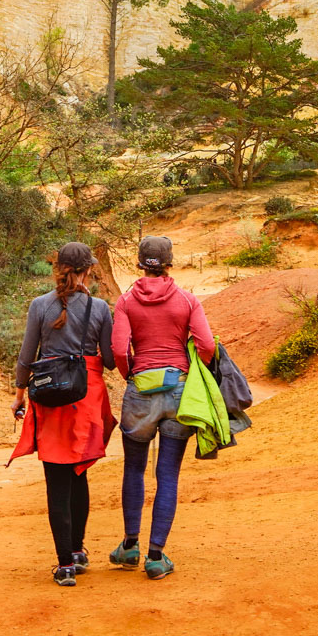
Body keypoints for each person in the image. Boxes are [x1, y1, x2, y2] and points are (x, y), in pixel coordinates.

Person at [8, 241, 116, 587]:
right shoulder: (99, 308)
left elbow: (27, 356)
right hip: (85, 400)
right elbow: (110, 360)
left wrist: (19, 395)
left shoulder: (40, 305)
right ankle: (79, 551)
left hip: (49, 399)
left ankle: (65, 565)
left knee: (56, 480)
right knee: (78, 474)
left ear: (58, 268)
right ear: (89, 270)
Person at [109, 235, 216, 580]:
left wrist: (133, 376)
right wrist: (192, 370)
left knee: (134, 469)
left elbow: (119, 349)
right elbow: (206, 345)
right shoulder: (187, 300)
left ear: (140, 263)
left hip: (140, 390)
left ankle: (129, 547)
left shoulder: (126, 301)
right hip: (179, 390)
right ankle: (155, 557)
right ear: (169, 263)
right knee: (167, 474)